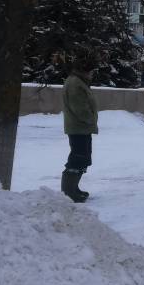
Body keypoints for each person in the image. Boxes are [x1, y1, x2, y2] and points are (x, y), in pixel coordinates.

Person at [61, 53, 99, 203]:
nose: (93, 74)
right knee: (78, 157)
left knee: (83, 157)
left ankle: (73, 188)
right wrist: (90, 120)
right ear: (85, 70)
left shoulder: (78, 82)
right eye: (92, 70)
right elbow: (80, 108)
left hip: (82, 127)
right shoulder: (75, 84)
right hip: (79, 127)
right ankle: (69, 191)